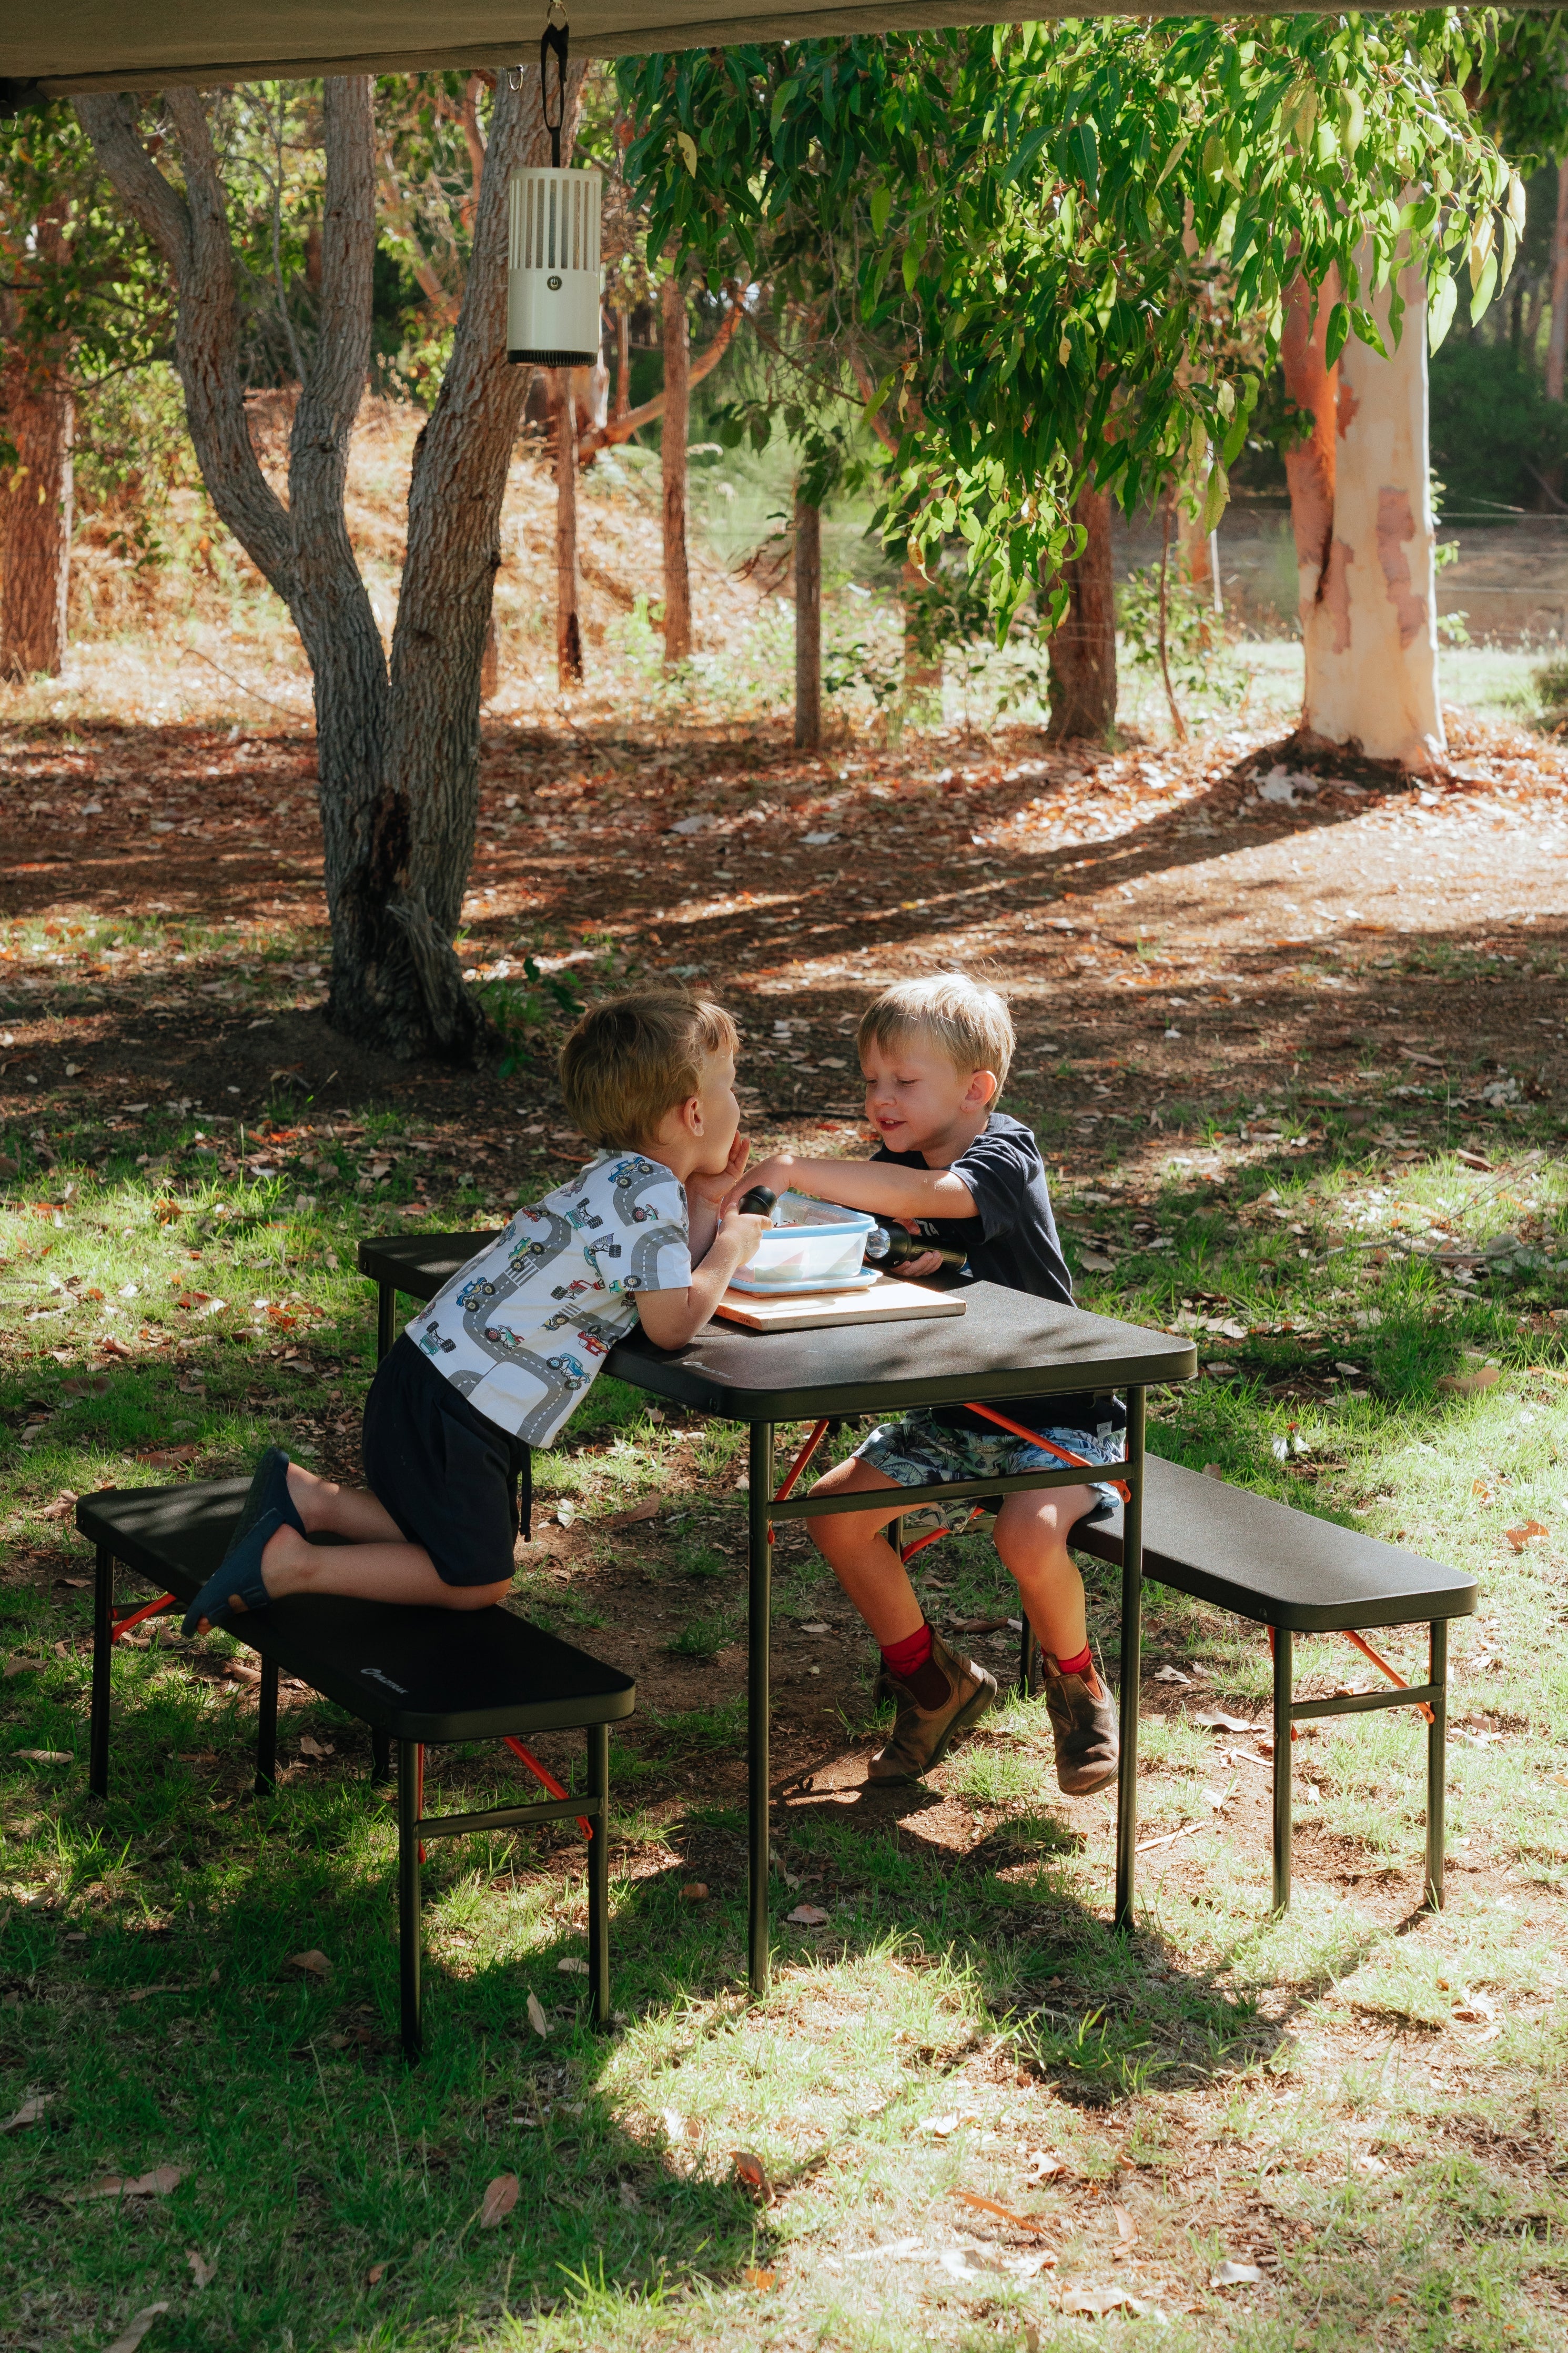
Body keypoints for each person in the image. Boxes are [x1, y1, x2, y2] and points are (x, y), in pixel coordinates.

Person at [181, 991, 767, 1636]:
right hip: (460, 1407)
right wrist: (732, 1250)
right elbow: (672, 1322)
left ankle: (310, 1500)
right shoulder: (647, 1191)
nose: (738, 1104)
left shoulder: (622, 1178)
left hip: (431, 1384)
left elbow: (658, 1279)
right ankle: (293, 1565)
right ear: (692, 1112)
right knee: (477, 1578)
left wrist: (709, 1206)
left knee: (450, 1538)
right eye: (732, 1088)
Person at [727, 972, 1123, 1795]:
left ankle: (1078, 1690)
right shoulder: (893, 1161)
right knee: (835, 1517)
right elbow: (865, 1236)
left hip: (1059, 1420)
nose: (882, 1100)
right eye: (872, 1081)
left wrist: (798, 1167)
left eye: (905, 1082)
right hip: (957, 1416)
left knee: (1026, 1537)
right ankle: (934, 1684)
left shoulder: (1002, 1154)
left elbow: (930, 1200)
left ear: (976, 1090)